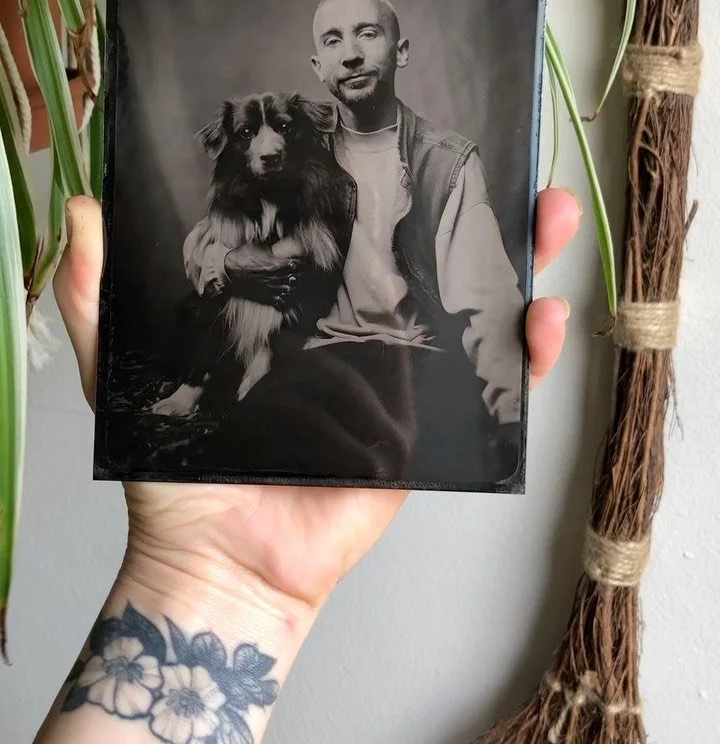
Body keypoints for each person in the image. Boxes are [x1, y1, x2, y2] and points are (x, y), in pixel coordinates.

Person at [35, 180, 580, 743]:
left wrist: (223, 581)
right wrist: (199, 569)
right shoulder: (224, 225)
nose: (268, 154)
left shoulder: (372, 195)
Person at [185, 0, 533, 482]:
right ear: (317, 68)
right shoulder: (295, 150)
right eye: (332, 41)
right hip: (316, 357)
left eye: (367, 34)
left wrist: (510, 418)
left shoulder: (445, 163)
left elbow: (491, 305)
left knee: (387, 458)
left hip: (415, 361)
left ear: (401, 52)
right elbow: (202, 243)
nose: (350, 55)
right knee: (240, 450)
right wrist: (230, 263)